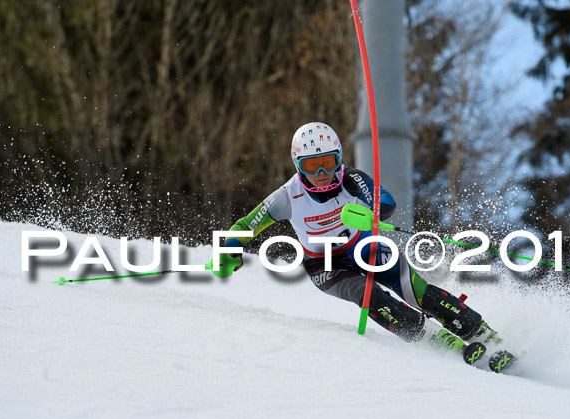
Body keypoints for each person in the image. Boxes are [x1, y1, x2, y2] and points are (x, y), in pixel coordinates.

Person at [217, 122, 514, 372]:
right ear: (298, 166)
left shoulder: (350, 178)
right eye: (311, 165)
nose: (322, 172)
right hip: (326, 266)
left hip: (363, 245)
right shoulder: (286, 197)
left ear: (338, 158)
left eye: (328, 162)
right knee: (367, 294)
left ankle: (483, 333)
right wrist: (229, 250)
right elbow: (245, 225)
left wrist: (372, 210)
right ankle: (437, 340)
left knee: (414, 289)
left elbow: (385, 201)